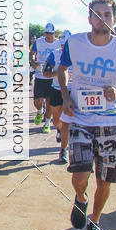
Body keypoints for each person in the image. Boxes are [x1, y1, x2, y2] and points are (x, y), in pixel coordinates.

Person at [58, 0, 116, 230]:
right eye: (97, 15)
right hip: (80, 118)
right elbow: (62, 69)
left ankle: (95, 221)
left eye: (107, 15)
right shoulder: (74, 43)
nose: (102, 19)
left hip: (109, 119)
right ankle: (81, 198)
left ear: (114, 19)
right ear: (89, 19)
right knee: (80, 174)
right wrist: (65, 95)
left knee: (105, 180)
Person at [29, 23, 61, 132]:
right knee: (37, 101)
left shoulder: (58, 43)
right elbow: (31, 54)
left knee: (49, 102)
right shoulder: (38, 42)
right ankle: (39, 111)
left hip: (52, 77)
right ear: (44, 33)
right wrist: (33, 62)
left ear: (55, 33)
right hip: (40, 75)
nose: (49, 36)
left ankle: (47, 123)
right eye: (47, 33)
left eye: (51, 33)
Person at [45, 30, 71, 163]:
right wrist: (57, 73)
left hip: (72, 91)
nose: (63, 48)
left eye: (65, 45)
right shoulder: (53, 55)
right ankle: (60, 131)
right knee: (56, 121)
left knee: (67, 122)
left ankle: (64, 151)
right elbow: (45, 73)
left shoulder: (77, 55)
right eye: (62, 45)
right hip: (56, 89)